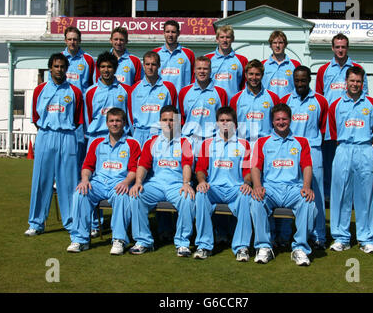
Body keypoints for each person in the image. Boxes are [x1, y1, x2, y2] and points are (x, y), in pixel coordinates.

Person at [66, 108, 141, 254]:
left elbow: (134, 170)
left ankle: (118, 240)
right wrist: (85, 179)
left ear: (124, 123)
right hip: (98, 183)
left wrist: (126, 182)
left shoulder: (132, 143)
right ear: (106, 123)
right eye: (111, 121)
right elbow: (87, 166)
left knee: (122, 195)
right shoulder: (97, 142)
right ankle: (80, 240)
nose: (114, 124)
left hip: (119, 182)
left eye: (118, 121)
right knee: (80, 193)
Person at [250, 103, 317, 266]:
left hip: (293, 189)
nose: (281, 122)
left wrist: (306, 187)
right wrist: (257, 186)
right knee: (256, 200)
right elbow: (255, 167)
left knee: (308, 202)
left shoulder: (301, 142)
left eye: (284, 119)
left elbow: (307, 166)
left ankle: (300, 248)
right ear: (272, 122)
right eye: (277, 119)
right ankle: (264, 247)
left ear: (291, 120)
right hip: (270, 189)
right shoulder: (262, 142)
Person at [25, 53, 84, 236]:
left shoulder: (74, 92)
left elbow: (77, 118)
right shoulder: (39, 90)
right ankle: (36, 223)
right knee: (42, 180)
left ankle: (71, 221)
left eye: (62, 67)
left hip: (67, 136)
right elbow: (36, 117)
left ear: (67, 69)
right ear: (50, 68)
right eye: (56, 66)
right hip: (46, 135)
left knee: (68, 182)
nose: (59, 70)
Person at [327, 66, 373, 254]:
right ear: (346, 82)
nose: (355, 84)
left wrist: (363, 148)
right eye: (352, 81)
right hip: (343, 150)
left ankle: (366, 238)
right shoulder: (335, 105)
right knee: (340, 194)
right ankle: (341, 237)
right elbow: (334, 133)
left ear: (363, 83)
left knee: (365, 196)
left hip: (364, 149)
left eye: (358, 81)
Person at [129, 105, 196, 257]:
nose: (168, 123)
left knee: (187, 198)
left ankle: (182, 243)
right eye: (164, 120)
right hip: (155, 185)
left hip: (176, 185)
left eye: (172, 120)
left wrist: (186, 184)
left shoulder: (185, 142)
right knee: (136, 195)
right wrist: (138, 182)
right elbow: (143, 165)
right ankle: (143, 241)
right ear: (159, 122)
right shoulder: (151, 141)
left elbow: (187, 164)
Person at [194, 106, 252, 261]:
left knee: (246, 195)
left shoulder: (244, 144)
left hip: (235, 189)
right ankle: (204, 245)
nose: (225, 123)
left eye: (229, 120)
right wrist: (201, 181)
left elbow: (248, 171)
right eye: (222, 120)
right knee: (200, 194)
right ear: (217, 123)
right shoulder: (207, 144)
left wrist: (247, 183)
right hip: (214, 188)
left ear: (235, 124)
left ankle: (242, 247)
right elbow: (200, 168)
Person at [280, 65, 329, 249]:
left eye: (303, 80)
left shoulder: (320, 101)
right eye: (297, 80)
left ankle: (318, 236)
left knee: (314, 194)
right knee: (287, 190)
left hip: (313, 149)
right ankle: (285, 235)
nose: (300, 83)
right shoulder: (285, 100)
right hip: (290, 151)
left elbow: (323, 127)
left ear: (309, 80)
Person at [315, 33, 368, 203]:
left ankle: (349, 195)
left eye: (343, 47)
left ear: (347, 48)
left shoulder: (357, 69)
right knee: (328, 161)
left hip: (350, 125)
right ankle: (327, 194)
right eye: (337, 47)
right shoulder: (323, 70)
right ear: (332, 48)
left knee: (351, 163)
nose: (340, 50)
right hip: (329, 124)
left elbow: (364, 97)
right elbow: (320, 98)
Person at [84, 52, 132, 236]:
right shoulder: (90, 92)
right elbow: (88, 117)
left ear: (115, 69)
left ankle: (121, 224)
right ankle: (95, 224)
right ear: (98, 69)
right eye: (103, 67)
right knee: (94, 182)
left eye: (110, 67)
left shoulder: (125, 90)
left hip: (120, 139)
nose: (106, 70)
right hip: (97, 139)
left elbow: (129, 115)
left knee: (120, 179)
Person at [178, 56, 228, 155]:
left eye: (205, 69)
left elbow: (224, 121)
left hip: (212, 141)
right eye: (199, 68)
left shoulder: (220, 93)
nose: (202, 71)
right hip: (189, 140)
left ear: (210, 71)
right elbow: (180, 119)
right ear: (194, 70)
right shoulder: (184, 92)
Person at [62, 26, 96, 171]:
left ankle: (80, 178)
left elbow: (93, 85)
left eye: (75, 39)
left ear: (80, 40)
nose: (72, 42)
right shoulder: (60, 58)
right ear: (65, 40)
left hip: (81, 109)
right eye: (69, 39)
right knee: (64, 145)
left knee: (81, 144)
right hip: (64, 109)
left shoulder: (88, 60)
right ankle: (60, 178)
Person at [128, 51, 177, 146]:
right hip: (139, 134)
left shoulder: (169, 88)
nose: (150, 67)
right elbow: (130, 116)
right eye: (147, 64)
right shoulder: (134, 89)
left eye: (153, 64)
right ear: (143, 65)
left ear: (159, 65)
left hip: (161, 133)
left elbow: (175, 114)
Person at [229, 59, 281, 143]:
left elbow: (278, 123)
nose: (254, 78)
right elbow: (231, 125)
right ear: (245, 75)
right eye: (251, 74)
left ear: (262, 75)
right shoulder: (236, 99)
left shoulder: (273, 98)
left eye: (257, 74)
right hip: (243, 144)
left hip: (265, 144)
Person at [205, 25, 248, 99]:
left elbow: (246, 84)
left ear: (233, 39)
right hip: (212, 102)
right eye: (222, 37)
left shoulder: (242, 60)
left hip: (232, 104)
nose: (225, 40)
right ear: (217, 39)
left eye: (228, 37)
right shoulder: (207, 58)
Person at [153, 20, 195, 94]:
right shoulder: (155, 53)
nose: (170, 35)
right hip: (160, 97)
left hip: (181, 98)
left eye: (173, 32)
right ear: (163, 33)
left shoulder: (188, 54)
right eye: (167, 32)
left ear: (178, 33)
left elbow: (194, 78)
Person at [262, 30, 301, 98]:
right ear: (271, 45)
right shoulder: (262, 64)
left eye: (280, 43)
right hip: (268, 104)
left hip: (288, 105)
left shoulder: (295, 64)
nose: (277, 46)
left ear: (285, 45)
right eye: (274, 43)